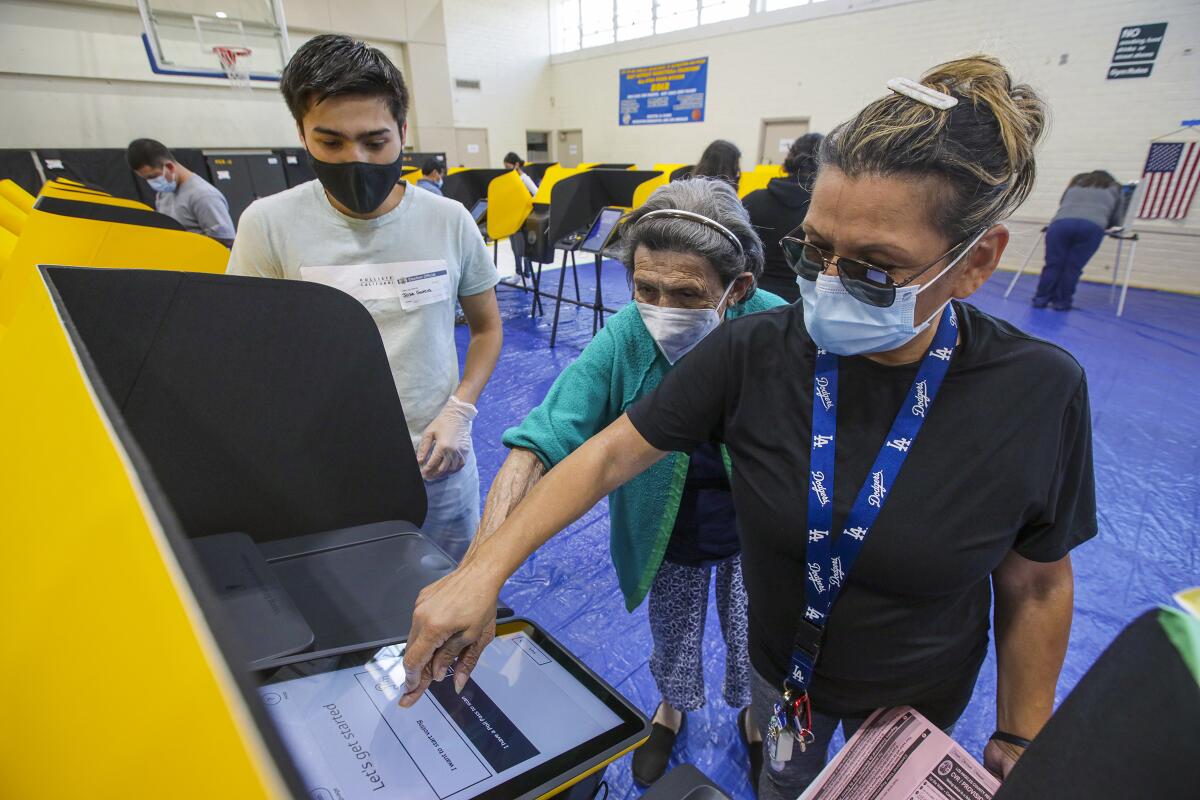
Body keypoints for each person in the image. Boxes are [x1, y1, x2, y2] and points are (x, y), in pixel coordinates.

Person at [400, 55, 1097, 797]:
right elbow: (603, 457)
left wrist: (1020, 732)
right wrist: (482, 571)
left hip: (913, 704)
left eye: (873, 267)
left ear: (974, 261)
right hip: (784, 673)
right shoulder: (753, 352)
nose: (829, 283)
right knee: (782, 779)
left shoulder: (1038, 390)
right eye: (815, 249)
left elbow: (1036, 583)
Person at [485, 178, 785, 786]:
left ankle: (755, 719)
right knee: (672, 628)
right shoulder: (626, 334)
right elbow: (544, 435)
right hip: (667, 525)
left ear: (739, 288)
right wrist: (480, 570)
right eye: (646, 289)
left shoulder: (777, 329)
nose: (663, 310)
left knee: (759, 632)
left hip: (756, 529)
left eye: (687, 293)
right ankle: (669, 710)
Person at [226, 34, 503, 561]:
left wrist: (460, 410)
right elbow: (251, 348)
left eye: (375, 142)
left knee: (449, 585)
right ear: (302, 135)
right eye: (331, 143)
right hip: (328, 464)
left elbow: (487, 328)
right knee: (355, 598)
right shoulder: (269, 224)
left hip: (436, 457)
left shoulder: (448, 220)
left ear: (402, 131)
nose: (355, 159)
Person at [742, 134, 823, 302]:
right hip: (804, 302)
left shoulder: (753, 200)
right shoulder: (825, 211)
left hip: (752, 296)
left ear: (789, 159)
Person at [1032, 170, 1125, 310]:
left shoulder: (1077, 182)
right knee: (1073, 268)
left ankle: (1040, 299)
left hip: (1061, 224)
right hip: (1092, 227)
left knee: (1053, 264)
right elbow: (1117, 215)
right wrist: (1112, 226)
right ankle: (1061, 303)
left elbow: (1063, 203)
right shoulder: (1115, 188)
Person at [126, 138, 236, 246]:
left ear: (169, 167)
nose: (151, 182)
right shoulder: (163, 194)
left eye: (153, 176)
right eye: (146, 179)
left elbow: (225, 241)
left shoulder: (203, 195)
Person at [502, 152, 539, 277]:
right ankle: (518, 272)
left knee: (524, 248)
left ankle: (527, 274)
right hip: (513, 218)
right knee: (514, 247)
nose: (506, 170)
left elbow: (537, 194)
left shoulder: (525, 179)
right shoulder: (510, 179)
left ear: (516, 165)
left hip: (524, 219)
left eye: (508, 167)